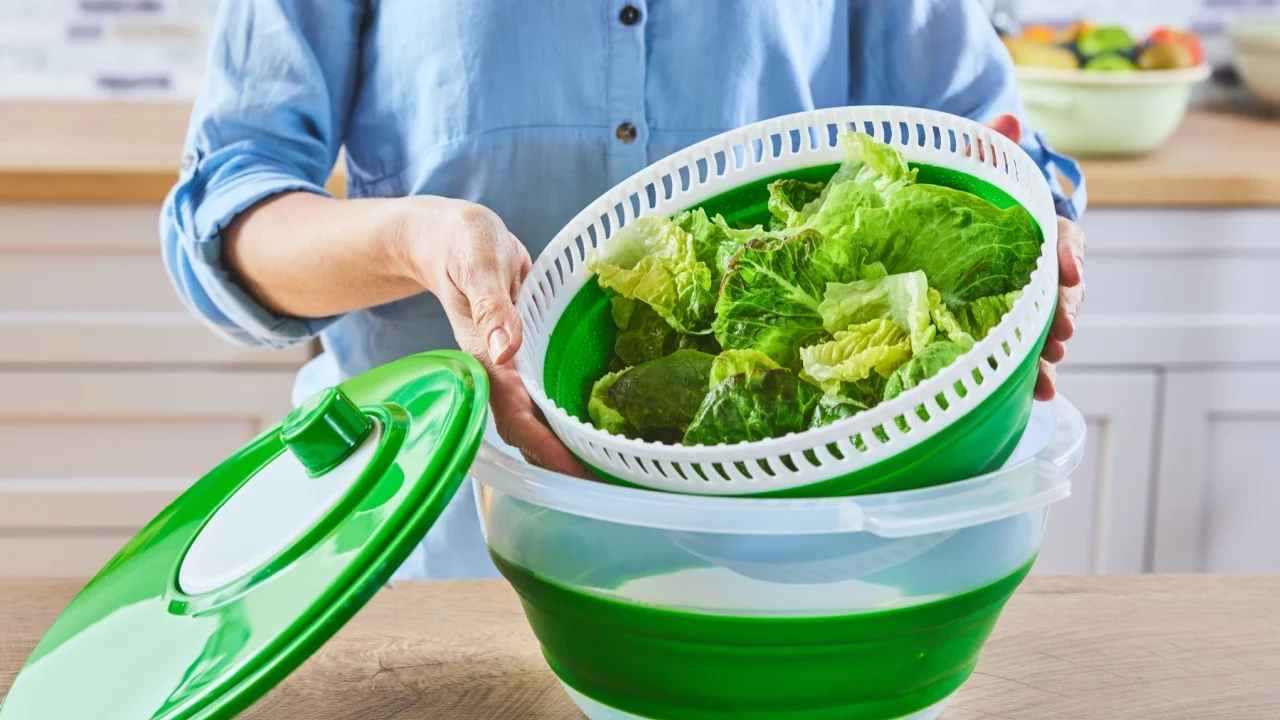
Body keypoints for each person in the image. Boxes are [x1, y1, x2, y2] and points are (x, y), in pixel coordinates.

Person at [162, 0, 1087, 580]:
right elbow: (229, 216)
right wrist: (415, 240)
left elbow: (987, 147)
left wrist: (1039, 235)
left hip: (774, 564)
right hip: (428, 543)